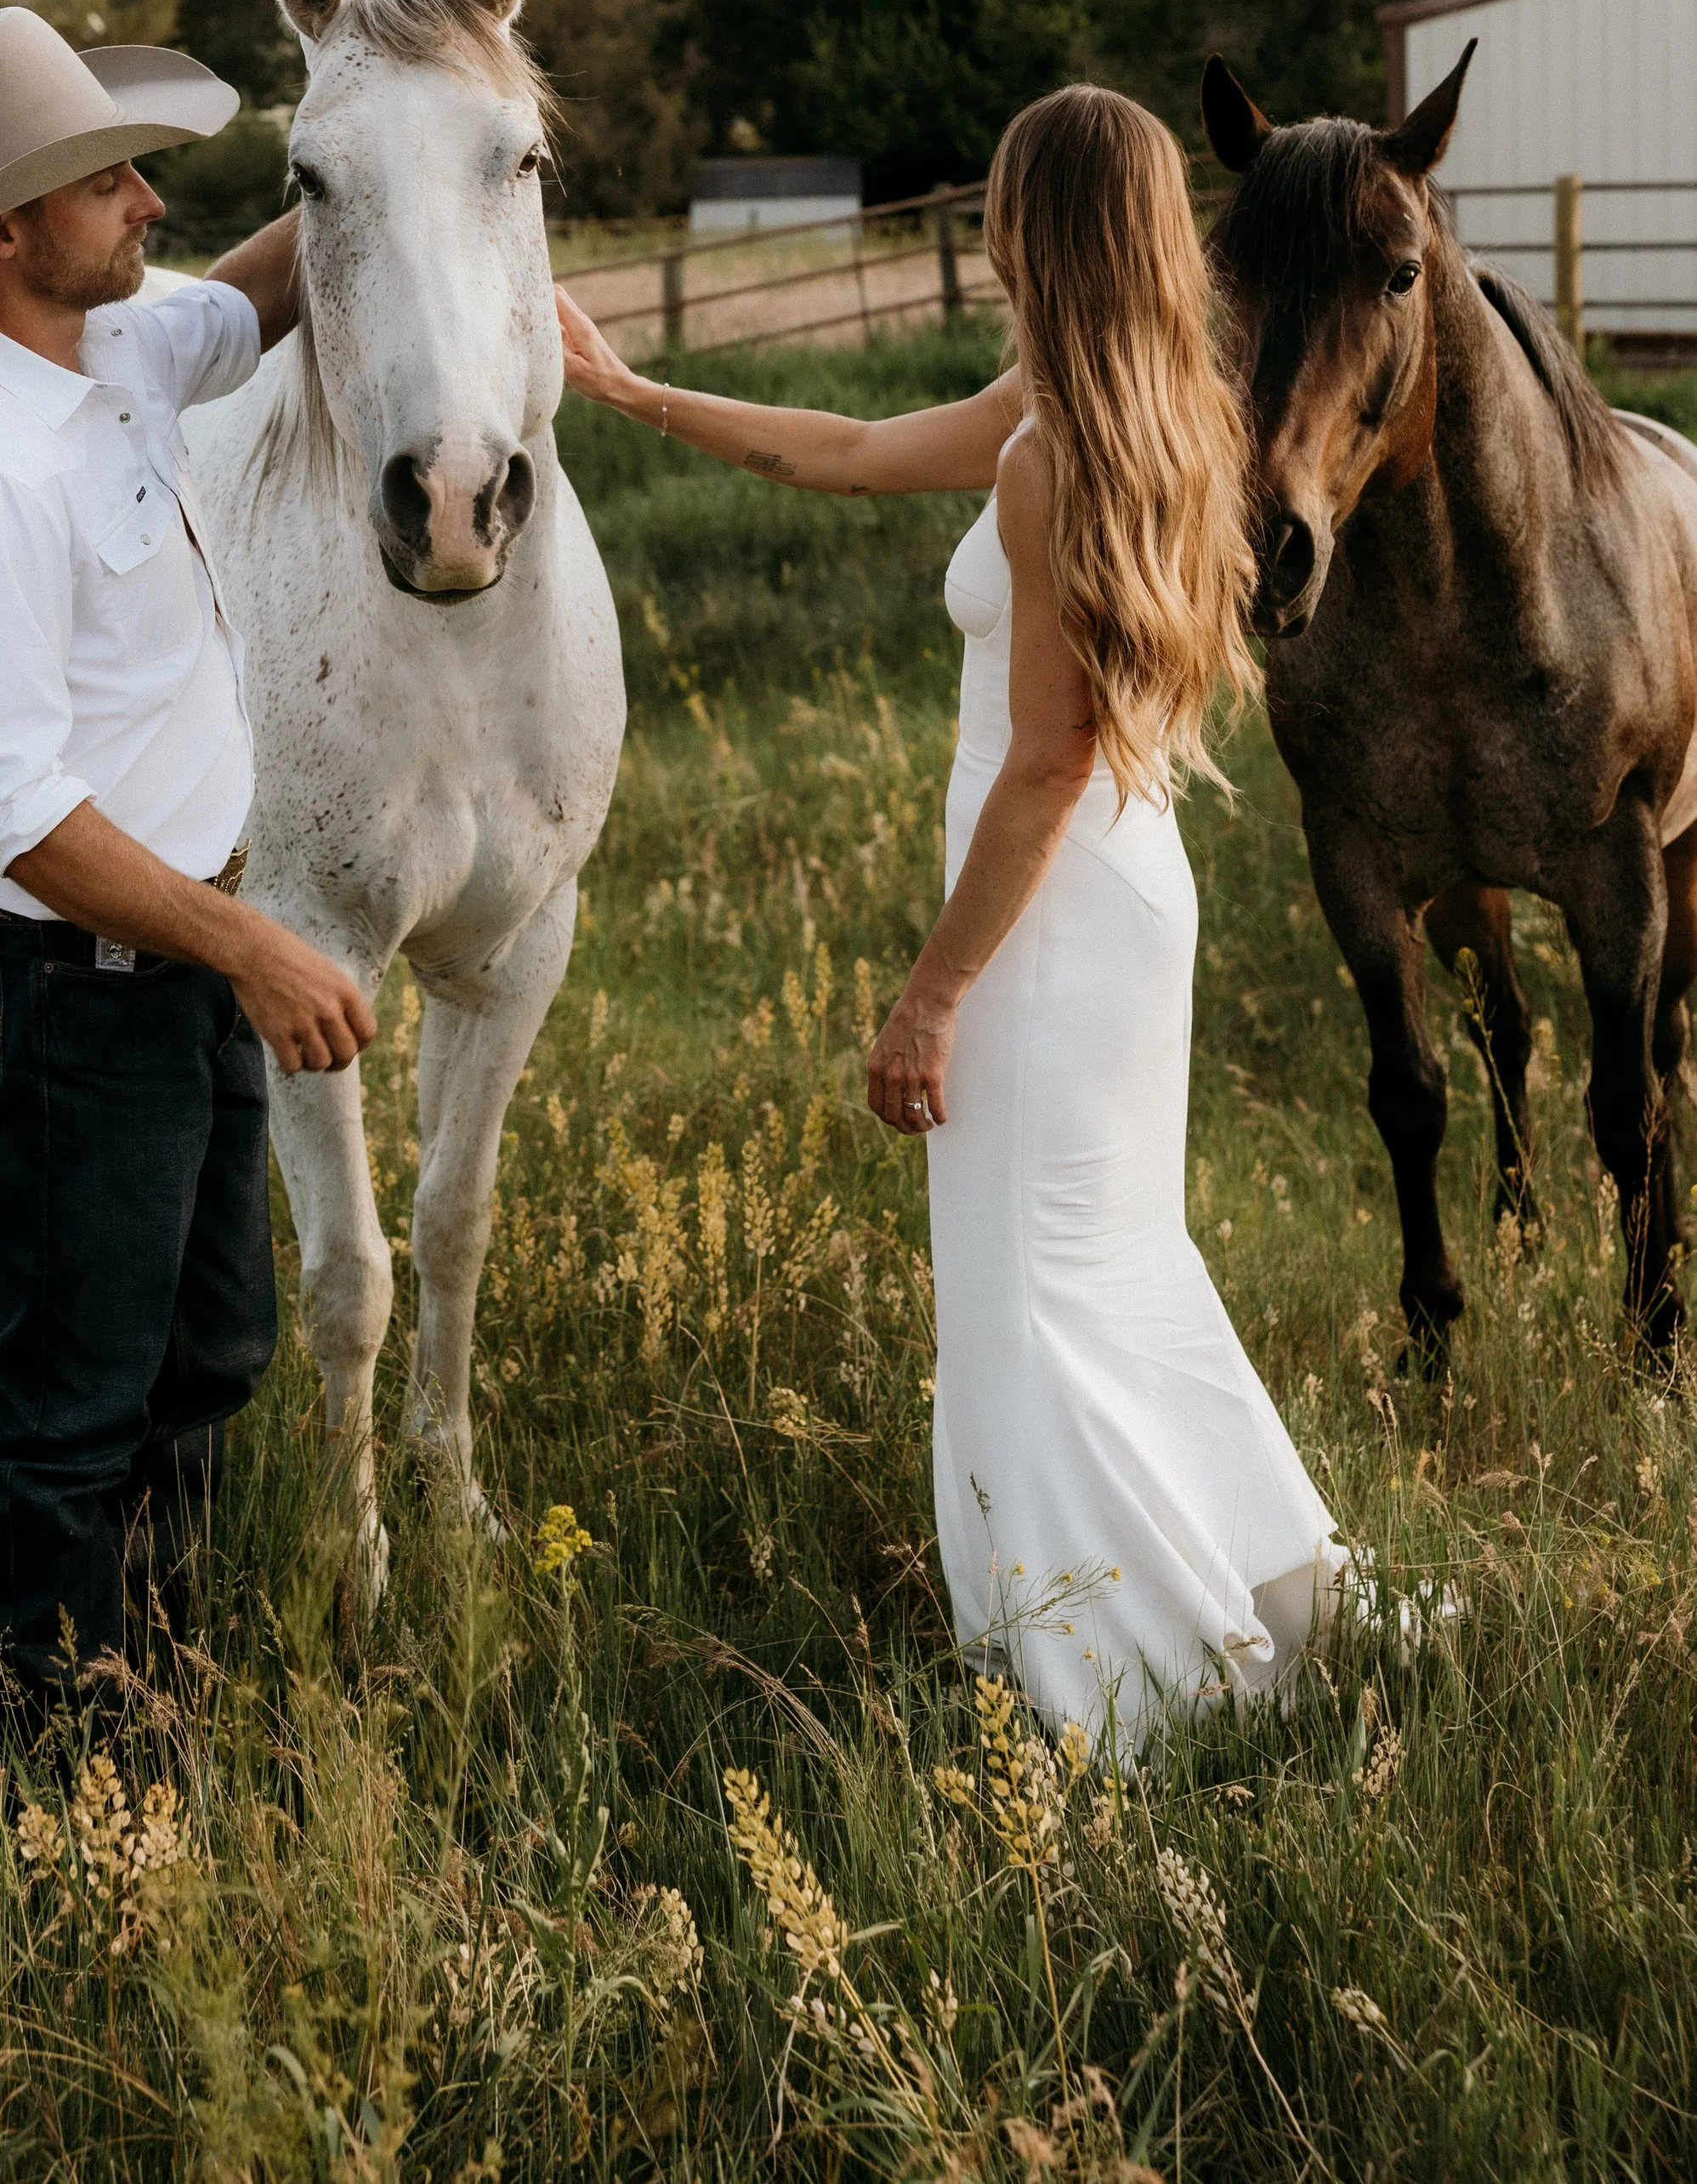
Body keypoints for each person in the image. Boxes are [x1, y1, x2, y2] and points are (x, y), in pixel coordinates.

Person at [556, 86, 1349, 1748]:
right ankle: (1243, 1616)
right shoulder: (1118, 407)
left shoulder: (1054, 458)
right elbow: (841, 456)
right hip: (1121, 901)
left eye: (994, 199)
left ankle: (1110, 1694)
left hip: (1048, 927)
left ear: (1019, 228)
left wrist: (928, 996)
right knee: (1108, 1269)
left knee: (1026, 1296)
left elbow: (1045, 762)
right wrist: (631, 391)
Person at [0, 6, 377, 1732]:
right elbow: (13, 818)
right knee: (69, 1394)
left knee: (207, 1348)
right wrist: (256, 948)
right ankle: (46, 1770)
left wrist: (375, 122)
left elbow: (263, 289)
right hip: (79, 976)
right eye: (108, 177)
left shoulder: (109, 345)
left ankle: (151, 1674)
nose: (147, 203)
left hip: (176, 953)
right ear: (2, 229)